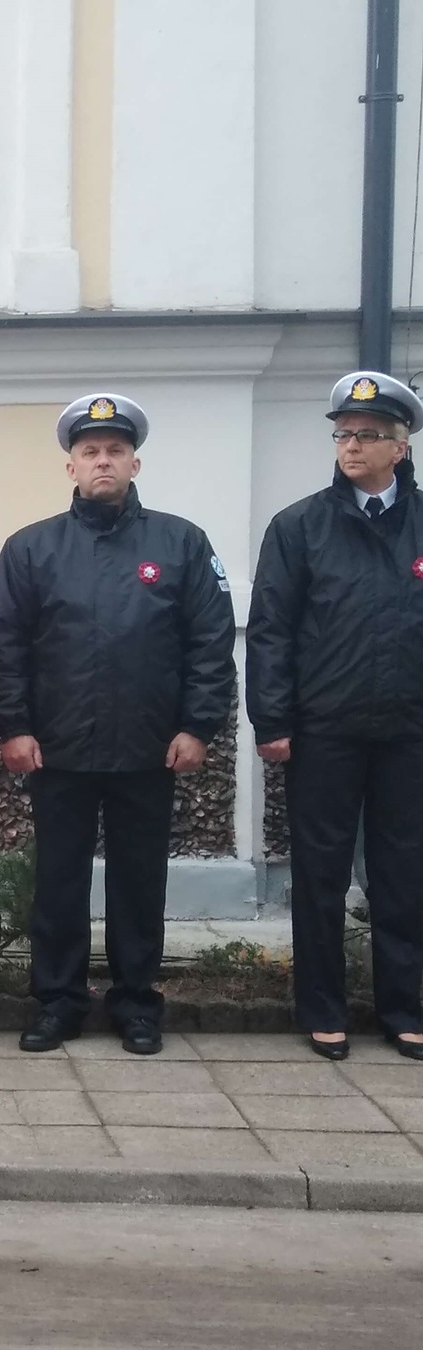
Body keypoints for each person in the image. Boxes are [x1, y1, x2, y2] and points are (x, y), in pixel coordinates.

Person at [0, 395, 237, 1055]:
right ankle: (58, 1003)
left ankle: (136, 1005)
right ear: (70, 467)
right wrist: (13, 726)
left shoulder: (181, 543)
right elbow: (8, 647)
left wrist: (199, 726)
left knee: (139, 883)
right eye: (89, 451)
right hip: (59, 749)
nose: (103, 461)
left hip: (149, 748)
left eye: (114, 451)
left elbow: (210, 644)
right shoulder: (30, 549)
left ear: (135, 462)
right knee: (59, 884)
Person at [247, 370, 423, 1062]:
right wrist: (273, 722)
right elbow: (270, 631)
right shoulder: (299, 527)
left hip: (409, 731)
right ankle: (323, 1008)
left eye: (367, 436)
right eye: (344, 434)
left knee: (404, 873)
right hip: (324, 730)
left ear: (399, 448)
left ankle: (404, 1007)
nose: (351, 446)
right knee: (320, 875)